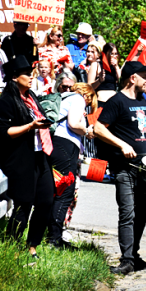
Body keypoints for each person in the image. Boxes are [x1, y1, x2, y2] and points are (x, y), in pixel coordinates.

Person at [94, 61, 146, 275]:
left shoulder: (143, 100)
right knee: (128, 213)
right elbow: (98, 128)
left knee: (144, 213)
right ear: (132, 78)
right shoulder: (116, 101)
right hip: (125, 167)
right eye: (143, 75)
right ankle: (126, 260)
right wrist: (122, 144)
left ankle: (134, 255)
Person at [0, 56, 55, 259]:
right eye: (27, 74)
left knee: (46, 201)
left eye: (31, 73)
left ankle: (32, 247)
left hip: (40, 155)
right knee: (24, 204)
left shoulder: (31, 97)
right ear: (14, 77)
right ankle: (12, 248)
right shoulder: (5, 102)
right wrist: (31, 126)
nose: (31, 77)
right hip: (20, 159)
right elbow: (5, 132)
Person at [48, 83, 97, 249]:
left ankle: (50, 235)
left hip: (55, 143)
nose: (87, 107)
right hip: (65, 145)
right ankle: (54, 240)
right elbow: (74, 124)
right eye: (89, 103)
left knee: (55, 191)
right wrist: (87, 130)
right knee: (65, 191)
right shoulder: (78, 98)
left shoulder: (65, 97)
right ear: (88, 95)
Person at [95, 42, 121, 107]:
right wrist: (99, 80)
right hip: (101, 101)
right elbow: (90, 86)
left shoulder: (115, 67)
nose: (114, 56)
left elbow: (121, 81)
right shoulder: (97, 65)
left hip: (114, 101)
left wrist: (116, 67)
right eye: (111, 54)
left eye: (116, 54)